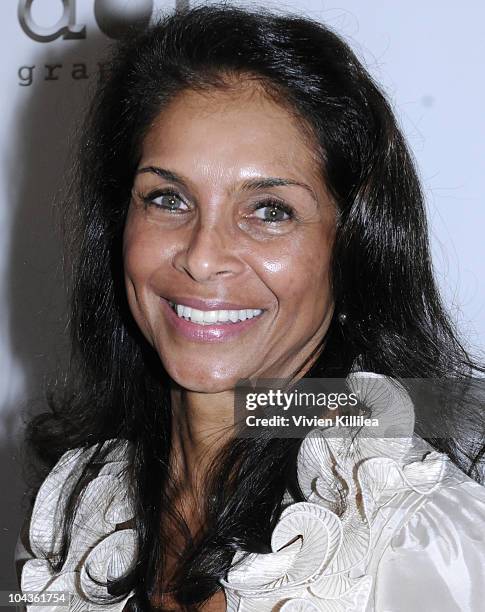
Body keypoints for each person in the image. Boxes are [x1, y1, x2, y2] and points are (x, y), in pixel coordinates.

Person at [14, 3, 485, 611]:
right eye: (168, 198)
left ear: (353, 247)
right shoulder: (89, 508)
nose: (203, 258)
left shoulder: (416, 537)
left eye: (269, 210)